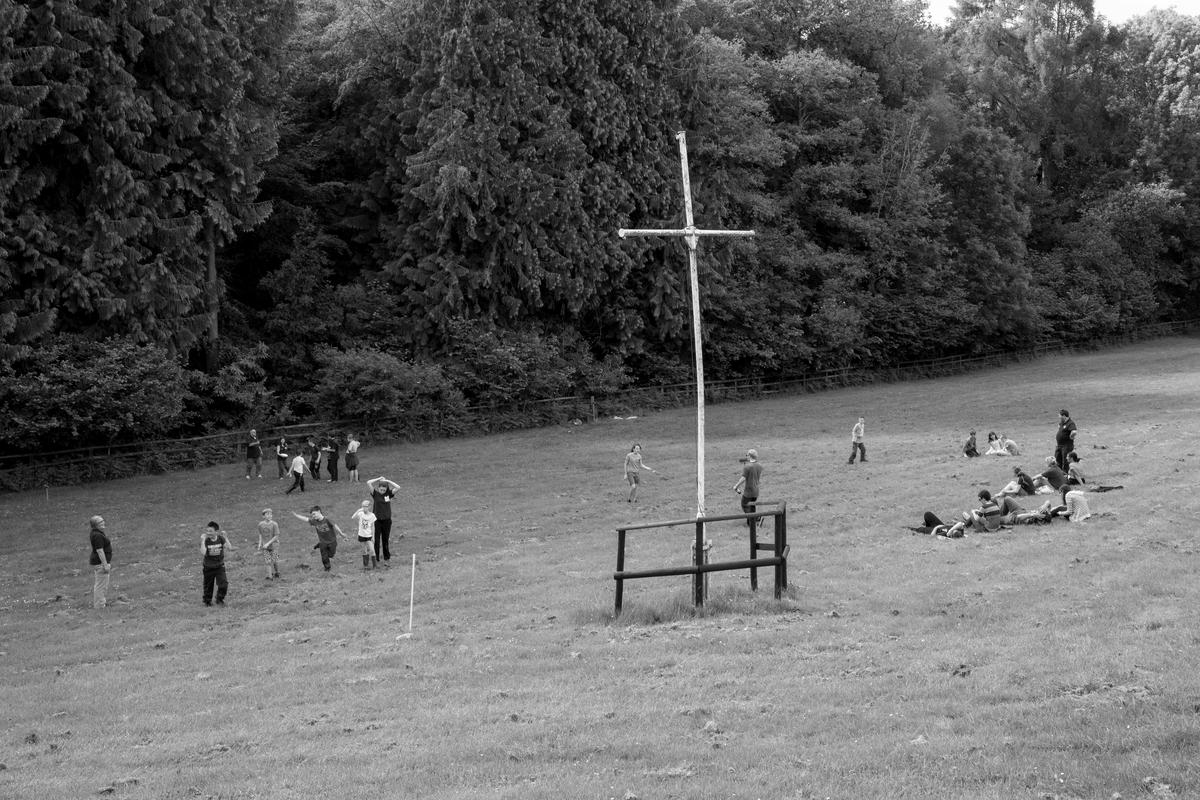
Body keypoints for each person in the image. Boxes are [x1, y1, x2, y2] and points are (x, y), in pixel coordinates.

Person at [292, 506, 347, 571]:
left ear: (319, 512)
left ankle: (319, 545)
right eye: (312, 515)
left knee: (331, 555)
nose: (313, 516)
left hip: (332, 541)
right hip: (323, 542)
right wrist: (296, 515)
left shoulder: (327, 519)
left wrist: (342, 534)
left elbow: (336, 527)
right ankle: (327, 568)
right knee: (324, 556)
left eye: (314, 514)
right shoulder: (314, 521)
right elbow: (306, 519)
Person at [367, 475, 400, 565]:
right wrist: (378, 479)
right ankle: (376, 559)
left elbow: (398, 487)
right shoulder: (375, 494)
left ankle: (386, 558)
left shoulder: (389, 494)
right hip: (376, 521)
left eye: (384, 490)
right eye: (381, 489)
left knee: (385, 540)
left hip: (386, 521)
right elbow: (368, 482)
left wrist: (388, 481)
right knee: (376, 540)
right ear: (378, 488)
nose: (382, 491)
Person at [201, 521, 234, 606]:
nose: (208, 533)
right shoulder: (206, 540)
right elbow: (203, 553)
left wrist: (226, 538)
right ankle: (207, 602)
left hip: (219, 566)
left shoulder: (220, 539)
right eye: (207, 531)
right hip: (208, 567)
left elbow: (229, 548)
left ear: (216, 532)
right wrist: (202, 540)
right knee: (208, 586)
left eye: (211, 531)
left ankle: (219, 599)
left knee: (224, 584)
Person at [733, 449, 763, 533]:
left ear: (749, 456)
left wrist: (736, 486)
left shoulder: (748, 466)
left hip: (749, 491)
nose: (746, 456)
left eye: (747, 455)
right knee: (752, 506)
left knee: (744, 505)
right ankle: (751, 524)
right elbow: (753, 473)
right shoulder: (759, 465)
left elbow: (744, 478)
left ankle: (757, 519)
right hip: (756, 491)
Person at [88, 515, 113, 609]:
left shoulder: (97, 533)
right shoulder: (97, 535)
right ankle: (99, 606)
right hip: (100, 563)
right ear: (95, 525)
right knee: (101, 585)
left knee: (102, 584)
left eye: (103, 521)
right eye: (100, 522)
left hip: (99, 563)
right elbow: (99, 550)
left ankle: (101, 603)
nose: (103, 523)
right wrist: (105, 564)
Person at [351, 499, 377, 570]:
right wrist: (359, 510)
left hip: (369, 535)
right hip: (361, 535)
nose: (364, 508)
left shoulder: (372, 515)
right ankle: (366, 566)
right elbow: (353, 517)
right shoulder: (360, 514)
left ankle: (375, 566)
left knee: (372, 550)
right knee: (364, 550)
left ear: (369, 507)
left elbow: (373, 526)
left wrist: (373, 536)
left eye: (365, 506)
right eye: (362, 506)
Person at [257, 508, 281, 580]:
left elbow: (276, 536)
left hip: (274, 545)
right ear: (263, 516)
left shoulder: (274, 524)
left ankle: (277, 572)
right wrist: (259, 543)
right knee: (267, 561)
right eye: (267, 514)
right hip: (265, 546)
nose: (269, 515)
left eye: (271, 514)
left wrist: (268, 543)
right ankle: (269, 576)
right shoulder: (260, 524)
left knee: (274, 560)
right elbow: (260, 534)